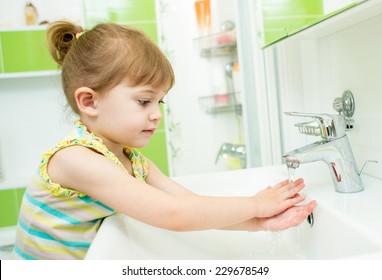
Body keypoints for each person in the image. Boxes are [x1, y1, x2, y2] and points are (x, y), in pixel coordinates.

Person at [12, 20, 316, 260]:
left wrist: (257, 222)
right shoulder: (76, 160)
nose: (157, 115)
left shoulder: (131, 160)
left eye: (161, 102)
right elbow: (173, 215)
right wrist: (254, 204)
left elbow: (188, 203)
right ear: (89, 102)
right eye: (145, 101)